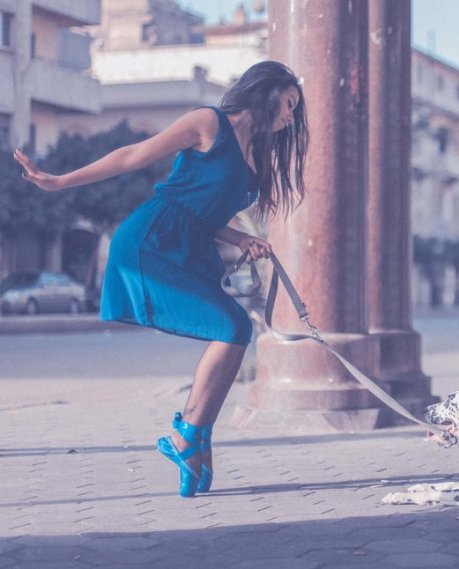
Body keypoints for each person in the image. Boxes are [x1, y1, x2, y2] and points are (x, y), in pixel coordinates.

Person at [13, 61, 309, 497]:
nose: (290, 117)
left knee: (234, 327)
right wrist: (60, 181)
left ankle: (195, 436)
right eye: (288, 104)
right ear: (266, 91)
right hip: (151, 243)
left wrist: (241, 237)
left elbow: (204, 211)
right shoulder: (209, 123)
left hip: (190, 245)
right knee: (232, 327)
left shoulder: (255, 154)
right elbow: (133, 155)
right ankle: (188, 434)